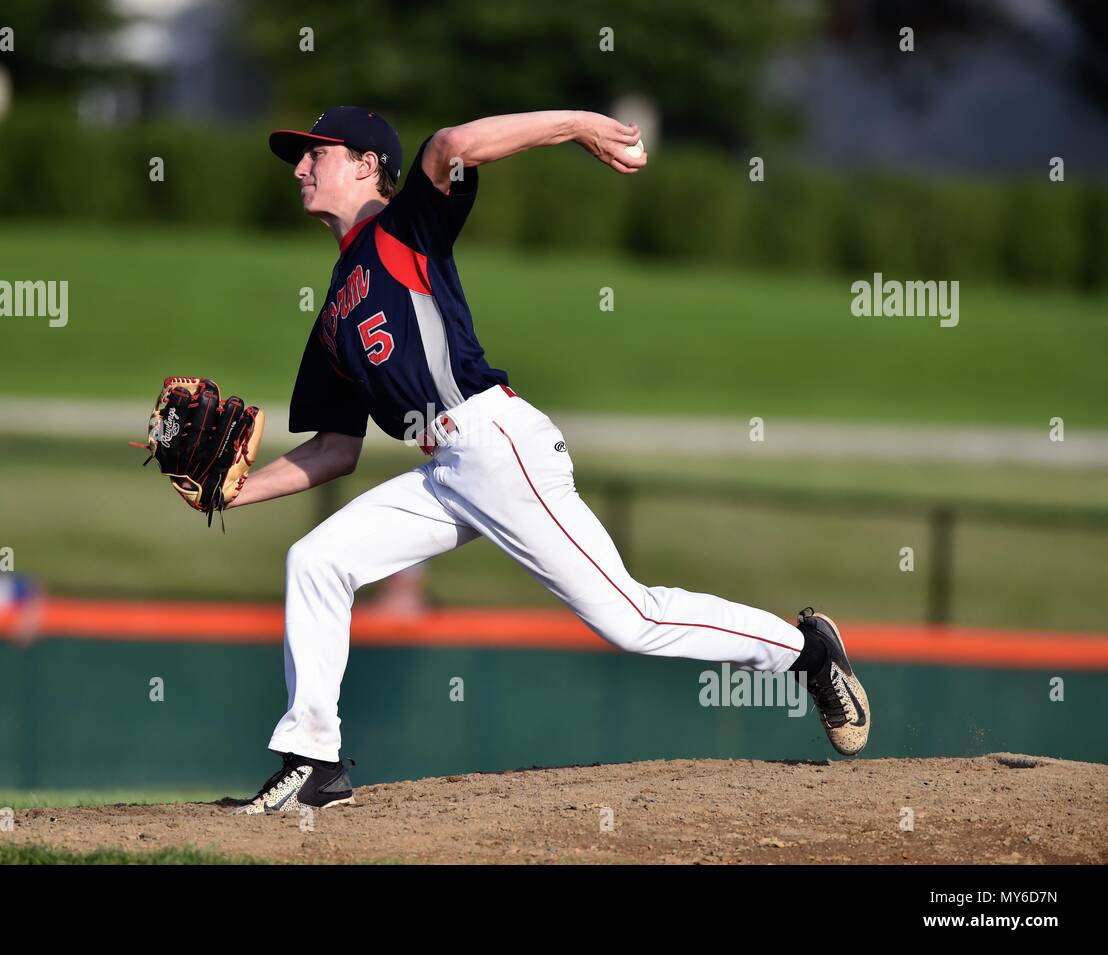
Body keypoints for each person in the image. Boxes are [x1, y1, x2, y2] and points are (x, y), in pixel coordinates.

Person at [227, 107, 870, 814]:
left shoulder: (405, 226)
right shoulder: (333, 317)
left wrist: (579, 125)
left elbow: (450, 145)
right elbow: (334, 449)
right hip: (447, 471)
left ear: (367, 163)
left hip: (496, 442)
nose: (300, 167)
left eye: (317, 153)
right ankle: (314, 761)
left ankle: (805, 649)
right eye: (301, 157)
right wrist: (230, 493)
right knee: (316, 559)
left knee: (630, 619)